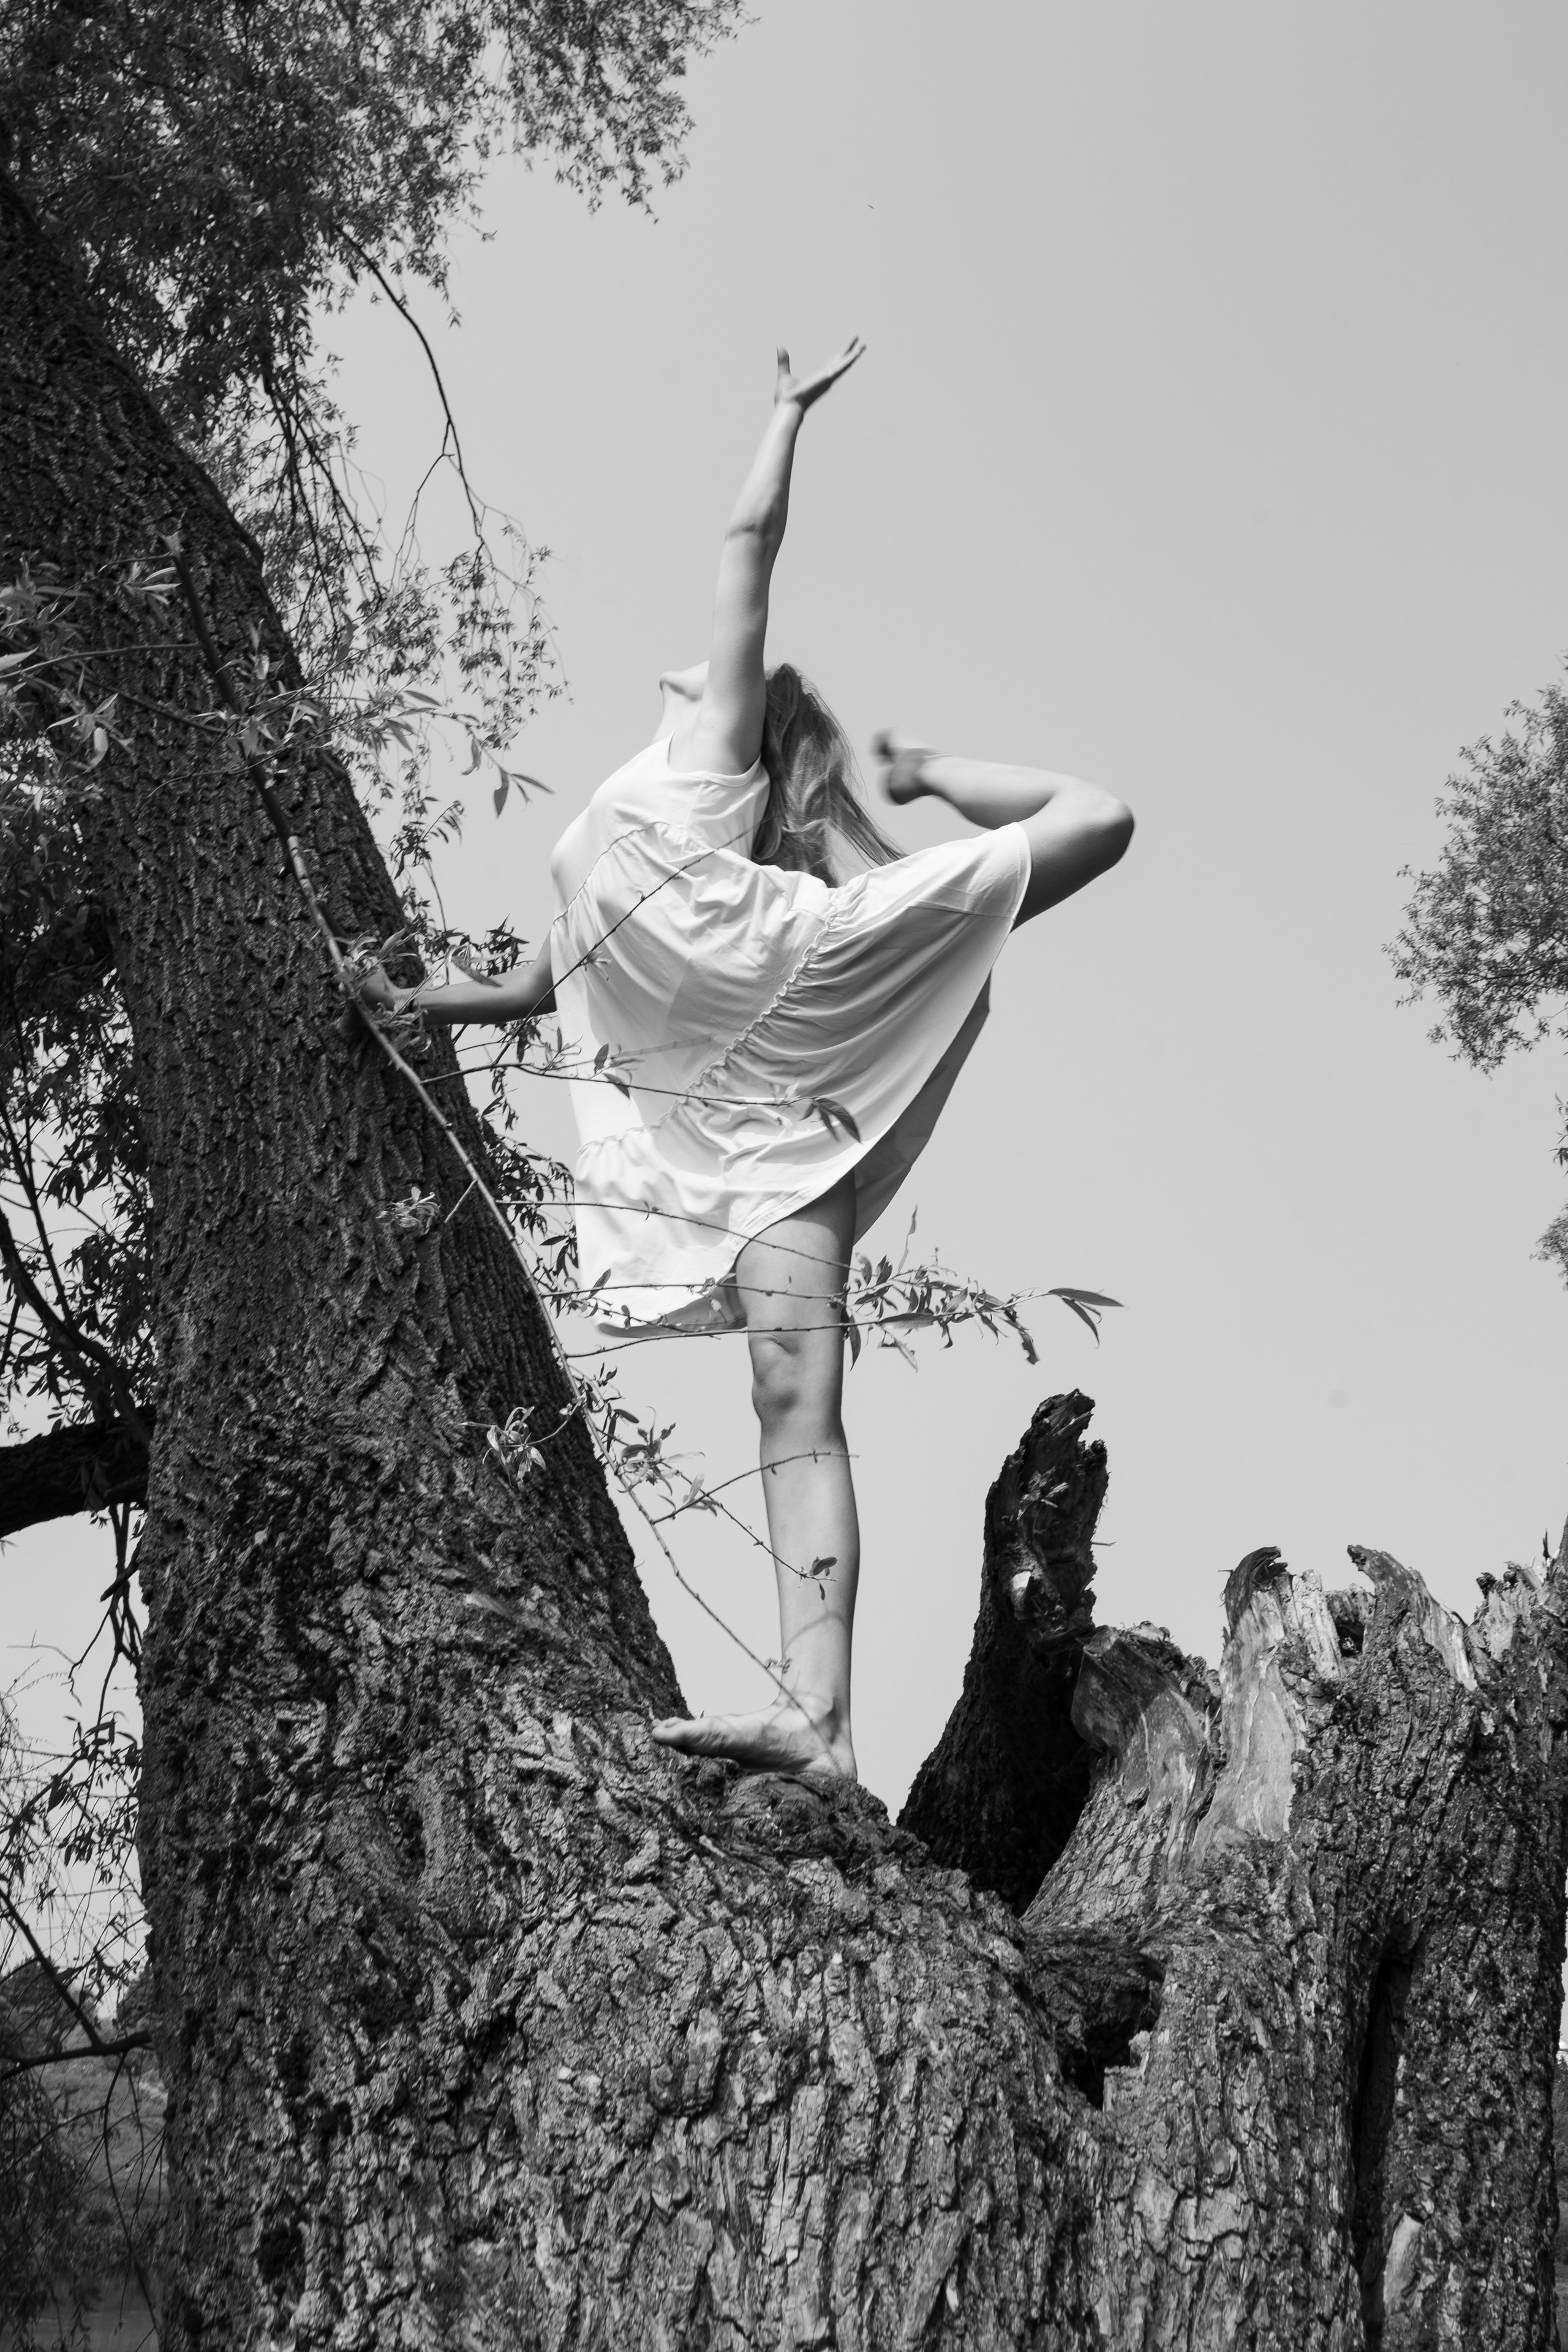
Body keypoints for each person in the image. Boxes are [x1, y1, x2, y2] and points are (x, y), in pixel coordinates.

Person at [361, 342, 1133, 1782]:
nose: (678, 665)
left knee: (1097, 823)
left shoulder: (696, 753)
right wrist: (429, 1004)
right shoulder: (629, 834)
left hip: (780, 1042)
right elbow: (557, 972)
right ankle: (818, 1722)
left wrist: (781, 414)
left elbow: (743, 543)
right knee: (788, 1396)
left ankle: (818, 1721)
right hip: (731, 1093)